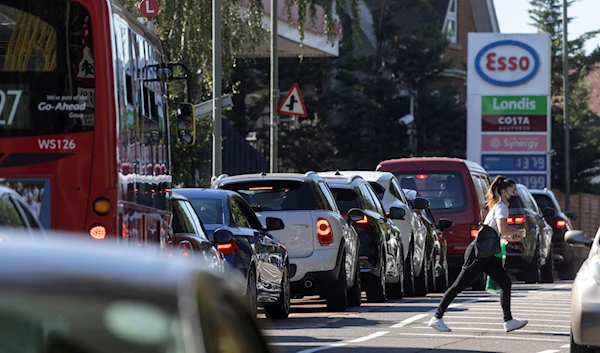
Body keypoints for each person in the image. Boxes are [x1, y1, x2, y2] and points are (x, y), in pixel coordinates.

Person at [428, 176, 528, 333]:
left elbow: (500, 233)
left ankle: (508, 321)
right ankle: (437, 317)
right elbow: (503, 230)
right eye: (513, 191)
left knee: (505, 283)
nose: (516, 194)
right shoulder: (502, 207)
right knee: (459, 285)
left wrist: (513, 235)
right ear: (503, 192)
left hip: (486, 253)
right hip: (479, 253)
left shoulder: (498, 206)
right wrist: (518, 232)